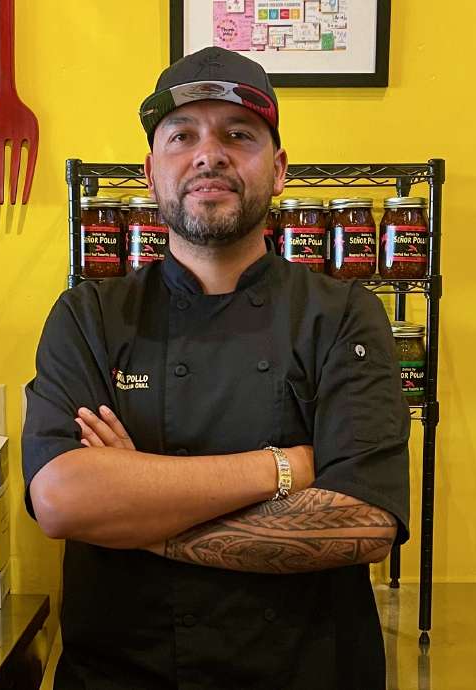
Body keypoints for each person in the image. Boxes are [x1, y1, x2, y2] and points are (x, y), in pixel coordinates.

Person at [22, 47, 409, 689]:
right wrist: (286, 467)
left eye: (238, 135)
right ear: (151, 173)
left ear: (278, 170)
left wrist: (139, 517)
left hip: (305, 674)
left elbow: (362, 523)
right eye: (183, 136)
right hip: (122, 676)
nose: (210, 155)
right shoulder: (88, 316)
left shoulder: (343, 315)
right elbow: (63, 499)